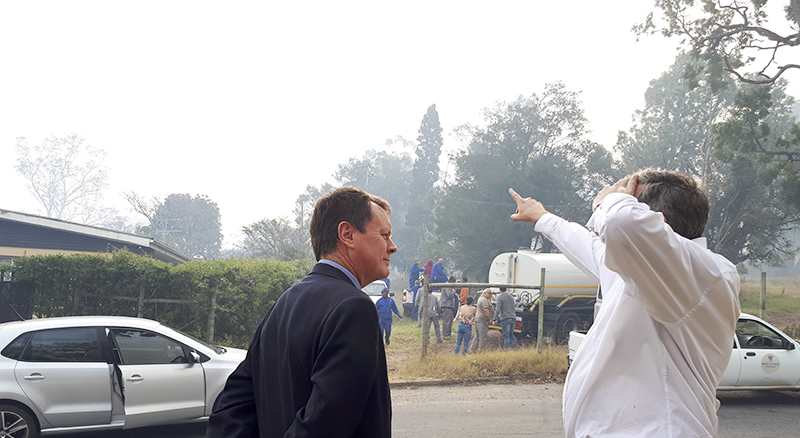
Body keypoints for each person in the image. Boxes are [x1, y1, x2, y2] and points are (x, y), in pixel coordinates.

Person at [509, 168, 740, 437]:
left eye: (627, 197)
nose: (615, 199)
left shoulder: (705, 275)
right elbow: (589, 245)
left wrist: (606, 202)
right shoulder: (639, 271)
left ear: (657, 224)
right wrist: (542, 217)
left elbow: (620, 223)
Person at [207, 187, 397, 438]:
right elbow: (324, 426)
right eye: (384, 234)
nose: (392, 247)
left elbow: (232, 408)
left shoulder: (284, 303)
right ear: (347, 234)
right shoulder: (355, 308)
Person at [469, 288, 494, 353]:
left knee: (477, 336)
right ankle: (481, 352)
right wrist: (491, 319)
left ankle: (472, 350)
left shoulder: (481, 299)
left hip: (479, 320)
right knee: (482, 337)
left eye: (491, 293)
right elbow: (486, 310)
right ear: (484, 293)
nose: (490, 295)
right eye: (489, 293)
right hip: (482, 321)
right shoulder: (484, 300)